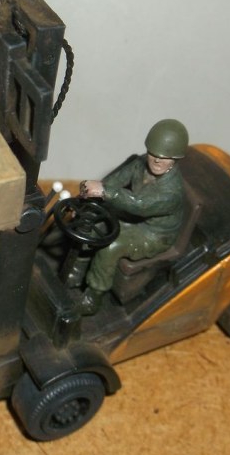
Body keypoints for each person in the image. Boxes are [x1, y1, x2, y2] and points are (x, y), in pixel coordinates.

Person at [77, 119, 189, 315]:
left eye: (165, 157)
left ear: (176, 159)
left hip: (155, 234)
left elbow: (140, 205)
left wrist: (105, 192)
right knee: (93, 219)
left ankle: (93, 296)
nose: (157, 160)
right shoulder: (140, 164)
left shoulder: (172, 192)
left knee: (111, 246)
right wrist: (98, 190)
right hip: (136, 217)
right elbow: (117, 179)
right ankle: (77, 268)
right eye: (153, 153)